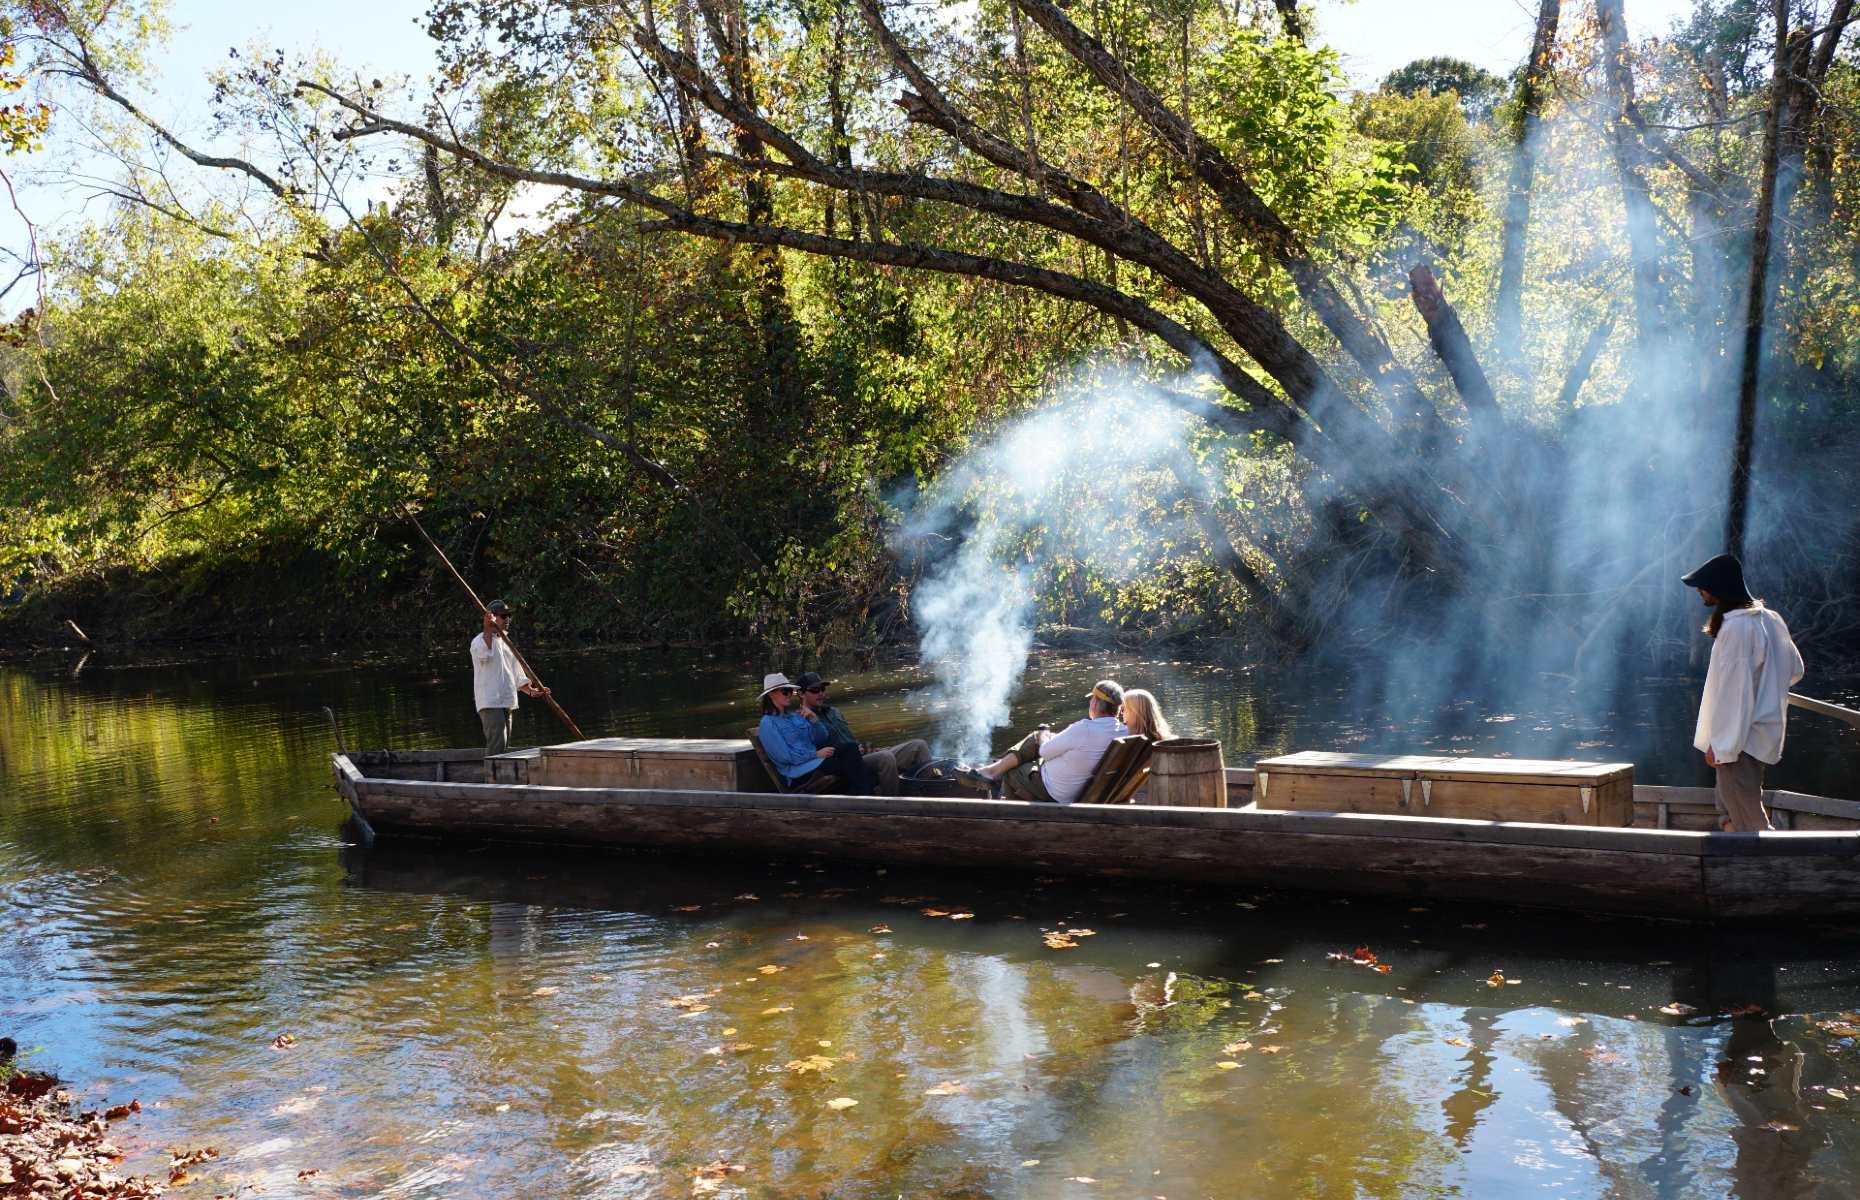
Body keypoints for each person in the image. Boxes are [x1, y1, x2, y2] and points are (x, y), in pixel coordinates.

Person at [1682, 553, 1805, 832]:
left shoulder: (1737, 628)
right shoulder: (1771, 619)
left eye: (1703, 586)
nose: (1700, 591)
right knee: (1730, 817)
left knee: (1751, 825)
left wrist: (1722, 746)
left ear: (1718, 587)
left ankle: (1774, 872)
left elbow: (1733, 695)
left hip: (1739, 740)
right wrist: (1768, 691)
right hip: (1756, 732)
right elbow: (1795, 669)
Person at [971, 679, 1127, 804]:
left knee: (1013, 769)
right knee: (1033, 744)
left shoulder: (1083, 728)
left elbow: (1044, 752)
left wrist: (1044, 735)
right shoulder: (1124, 732)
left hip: (1056, 791)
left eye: (1091, 699)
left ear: (1094, 703)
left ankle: (1013, 816)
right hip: (1081, 789)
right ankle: (993, 771)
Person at [794, 671, 929, 797]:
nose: (820, 693)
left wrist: (866, 748)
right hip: (848, 763)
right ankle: (891, 805)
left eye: (822, 689)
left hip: (863, 754)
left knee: (919, 746)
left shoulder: (833, 711)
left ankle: (933, 794)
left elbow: (850, 739)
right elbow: (813, 753)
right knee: (886, 758)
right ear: (801, 694)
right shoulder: (799, 721)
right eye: (815, 690)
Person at [755, 673, 874, 795]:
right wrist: (815, 754)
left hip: (815, 763)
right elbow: (786, 757)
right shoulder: (768, 724)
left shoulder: (794, 716)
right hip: (800, 773)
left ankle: (861, 797)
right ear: (771, 694)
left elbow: (821, 738)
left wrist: (814, 719)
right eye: (785, 692)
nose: (790, 695)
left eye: (790, 691)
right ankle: (864, 798)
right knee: (854, 762)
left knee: (851, 748)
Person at [471, 599, 548, 757]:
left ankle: (499, 776)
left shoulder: (506, 643)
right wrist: (487, 627)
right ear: (493, 617)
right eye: (503, 616)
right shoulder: (479, 641)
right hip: (490, 701)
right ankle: (491, 779)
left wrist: (530, 690)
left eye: (509, 616)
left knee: (504, 746)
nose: (508, 619)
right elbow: (485, 655)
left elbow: (515, 672)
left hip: (506, 700)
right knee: (497, 742)